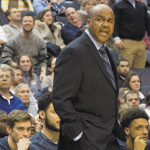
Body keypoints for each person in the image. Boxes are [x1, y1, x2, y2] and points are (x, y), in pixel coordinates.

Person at [52, 4, 125, 150]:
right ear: (88, 22)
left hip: (108, 136)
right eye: (100, 19)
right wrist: (78, 135)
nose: (106, 24)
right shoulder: (73, 51)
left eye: (110, 21)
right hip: (85, 140)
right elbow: (61, 99)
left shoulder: (106, 52)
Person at [2, 14, 47, 81]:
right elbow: (6, 58)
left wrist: (43, 72)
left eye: (30, 21)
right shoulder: (13, 40)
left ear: (34, 25)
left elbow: (43, 60)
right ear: (21, 25)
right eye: (25, 21)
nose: (27, 23)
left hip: (34, 74)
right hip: (16, 74)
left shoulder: (40, 42)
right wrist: (19, 66)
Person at [112, 0, 150, 68]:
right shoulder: (118, 6)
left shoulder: (142, 6)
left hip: (141, 43)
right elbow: (115, 23)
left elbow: (148, 24)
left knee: (140, 72)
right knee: (125, 70)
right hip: (126, 43)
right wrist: (116, 37)